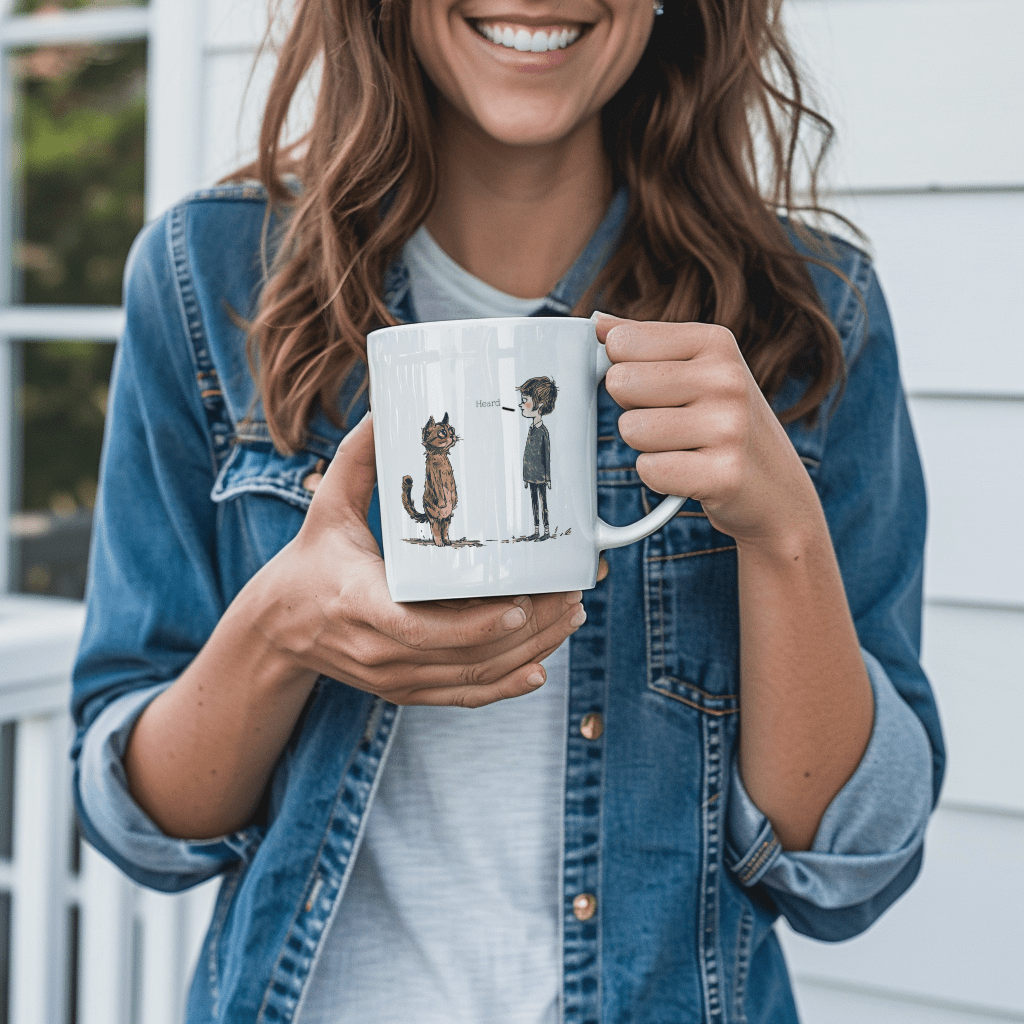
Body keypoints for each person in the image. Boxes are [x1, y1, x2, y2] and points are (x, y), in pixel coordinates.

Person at [70, 0, 944, 1020]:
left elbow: (845, 871)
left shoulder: (809, 307)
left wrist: (781, 530)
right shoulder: (206, 279)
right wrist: (280, 633)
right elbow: (142, 828)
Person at [517, 376, 558, 540]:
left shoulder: (543, 431)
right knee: (534, 503)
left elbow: (546, 456)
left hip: (541, 477)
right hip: (531, 476)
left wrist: (547, 478)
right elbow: (527, 455)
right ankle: (536, 529)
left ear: (539, 405)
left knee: (543, 504)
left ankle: (546, 531)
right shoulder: (531, 429)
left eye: (525, 400)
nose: (521, 404)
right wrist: (525, 476)